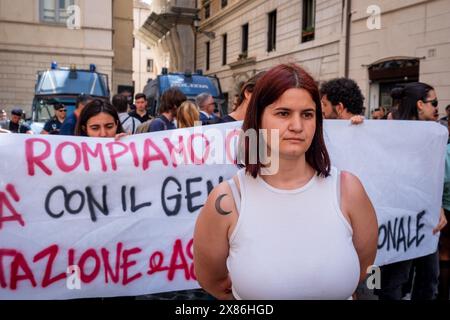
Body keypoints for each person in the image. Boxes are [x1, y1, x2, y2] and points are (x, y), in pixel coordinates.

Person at [194, 64, 378, 300]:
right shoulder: (226, 201)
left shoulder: (349, 190)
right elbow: (213, 281)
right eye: (283, 113)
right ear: (258, 118)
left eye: (307, 114)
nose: (297, 126)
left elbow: (367, 270)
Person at [374, 82, 447, 300]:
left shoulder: (435, 135)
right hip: (399, 222)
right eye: (433, 102)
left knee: (429, 277)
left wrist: (439, 206)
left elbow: (431, 178)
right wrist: (355, 126)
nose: (437, 107)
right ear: (419, 105)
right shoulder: (391, 132)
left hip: (426, 219)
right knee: (395, 280)